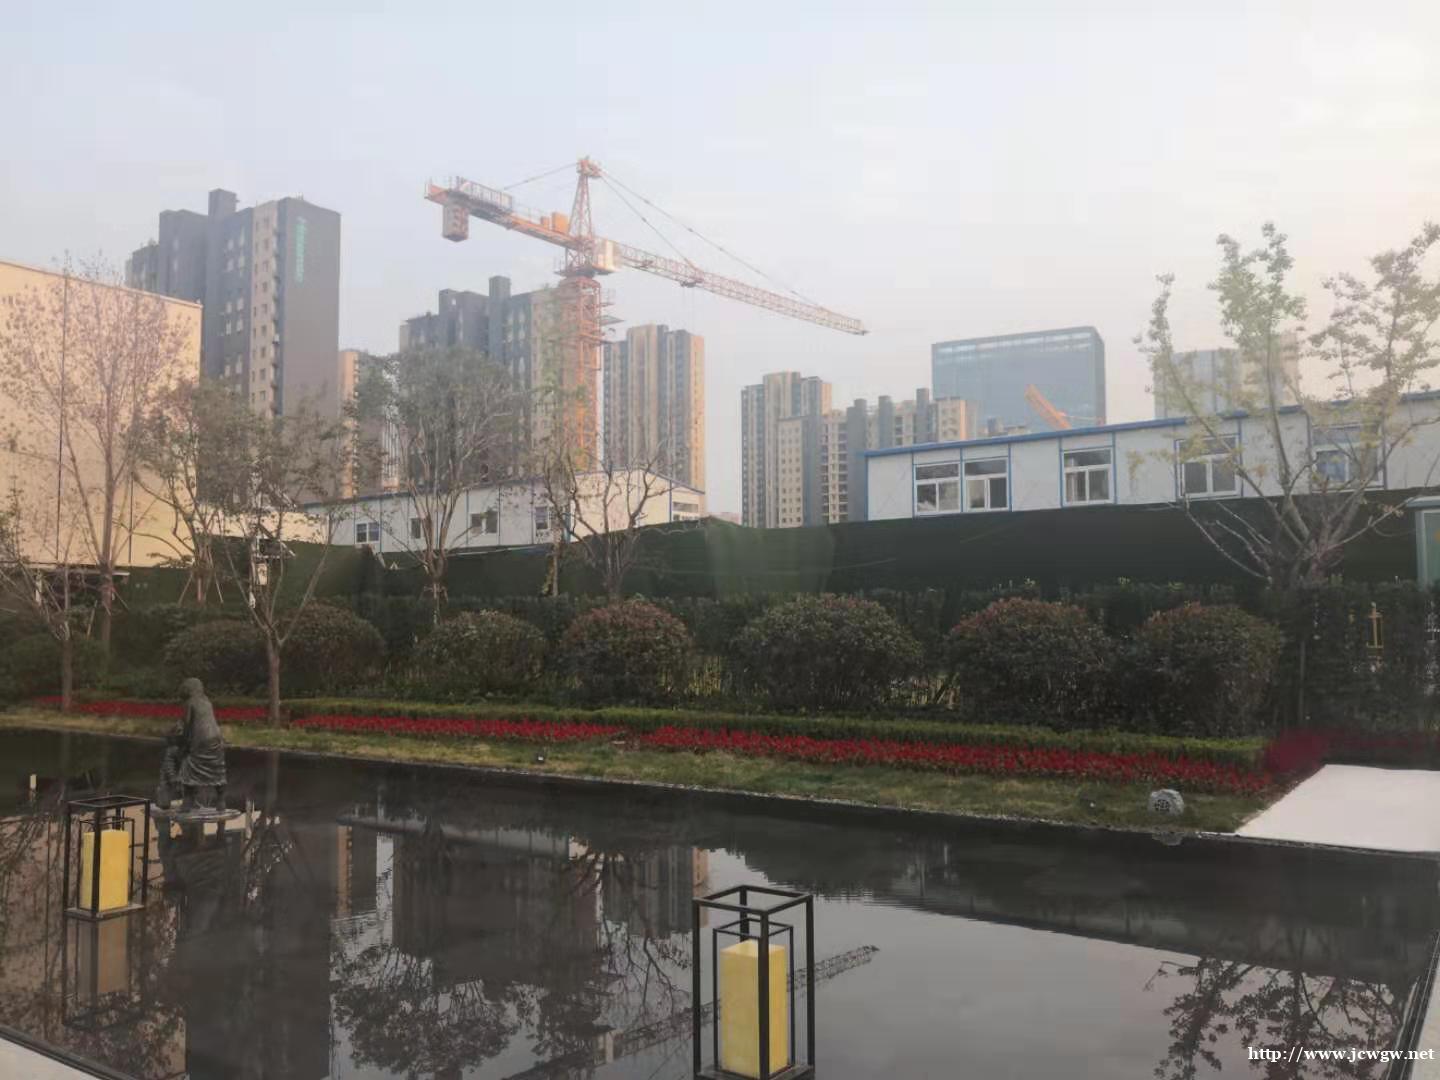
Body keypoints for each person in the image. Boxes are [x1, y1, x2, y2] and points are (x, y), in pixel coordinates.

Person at [156, 678, 227, 811]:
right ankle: (221, 801)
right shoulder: (207, 702)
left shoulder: (190, 703)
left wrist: (183, 743)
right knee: (217, 769)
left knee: (188, 766)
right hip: (216, 741)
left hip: (201, 741)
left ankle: (188, 802)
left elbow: (187, 726)